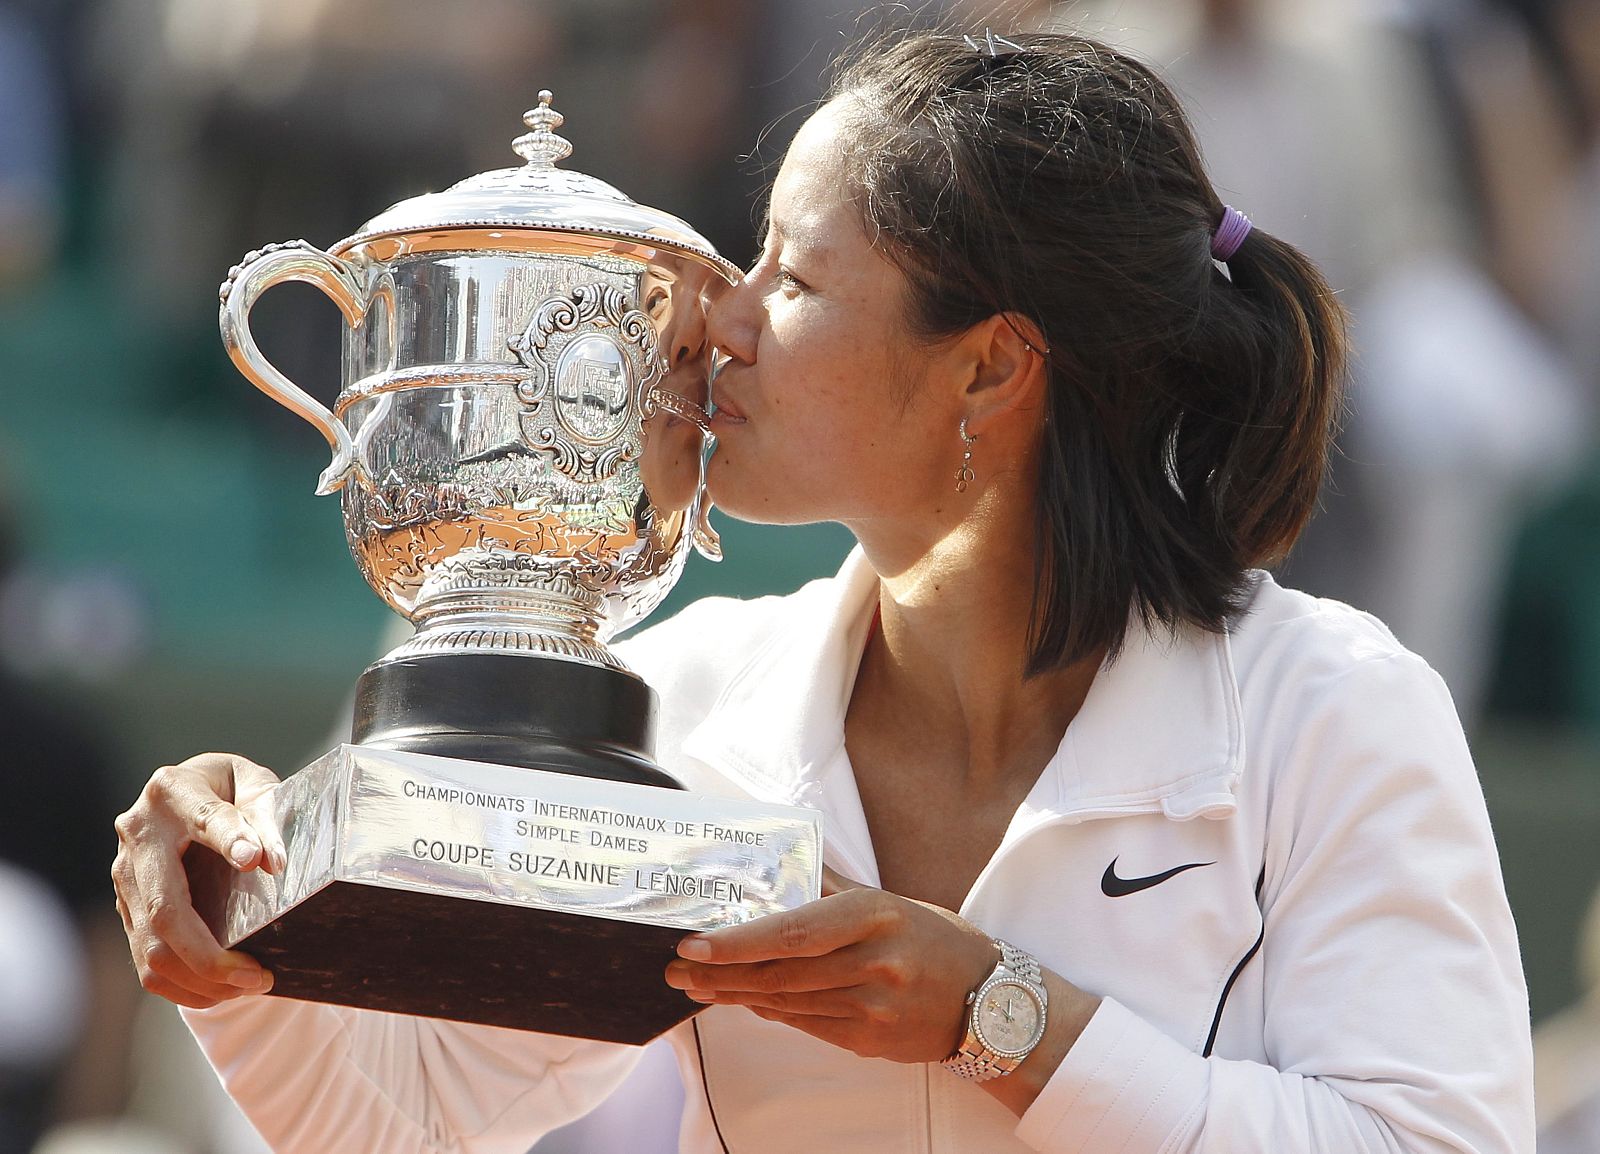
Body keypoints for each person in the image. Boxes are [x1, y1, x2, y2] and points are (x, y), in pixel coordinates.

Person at [111, 29, 1534, 1153]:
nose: (712, 320)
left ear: (988, 367)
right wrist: (235, 922)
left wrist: (1001, 1014)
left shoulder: (1332, 712)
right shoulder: (685, 705)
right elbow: (398, 1119)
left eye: (788, 279)